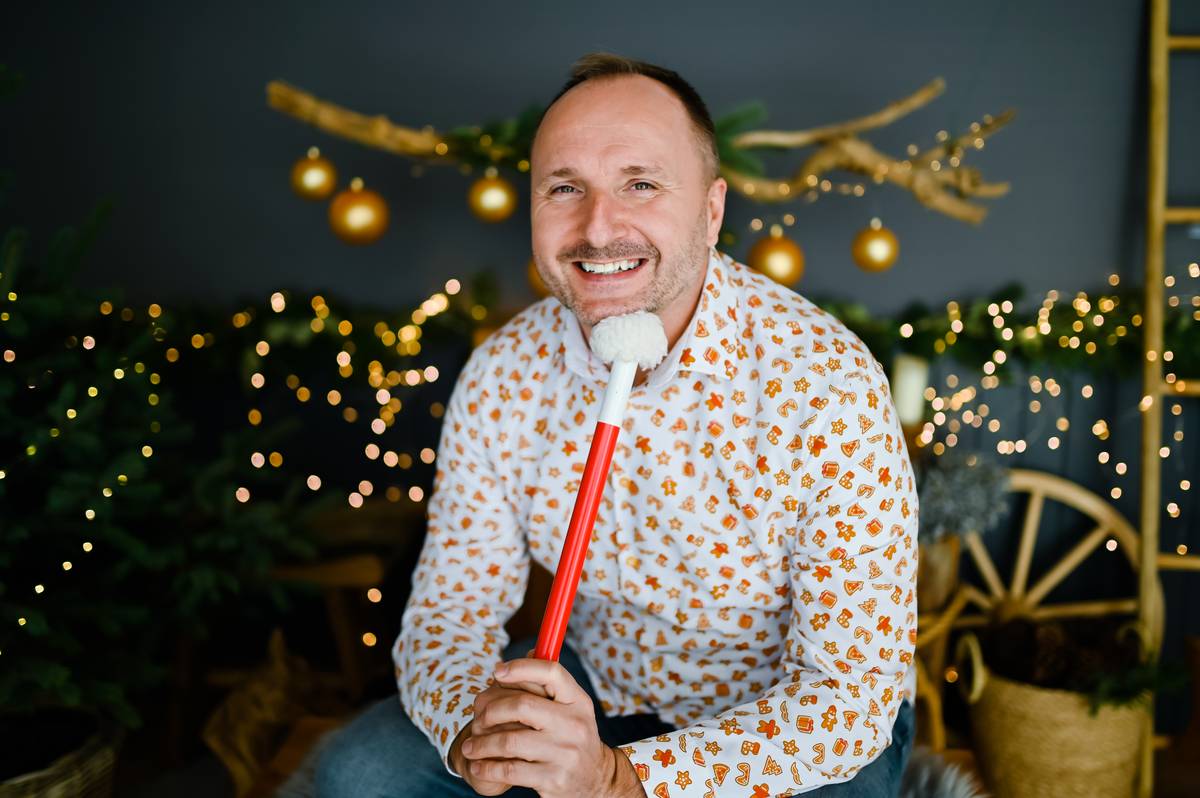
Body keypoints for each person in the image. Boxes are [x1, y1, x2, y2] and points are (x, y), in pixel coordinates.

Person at [315, 52, 918, 798]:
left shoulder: (826, 383)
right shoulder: (503, 373)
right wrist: (477, 737)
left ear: (711, 211)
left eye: (641, 184)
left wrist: (618, 779)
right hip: (594, 685)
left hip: (783, 721)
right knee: (360, 774)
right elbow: (451, 611)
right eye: (565, 188)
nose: (598, 229)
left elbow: (847, 695)